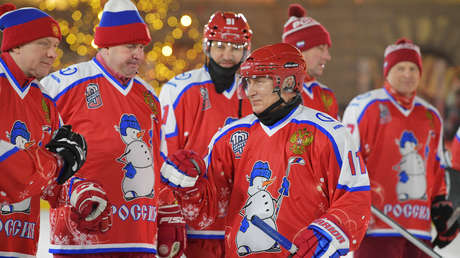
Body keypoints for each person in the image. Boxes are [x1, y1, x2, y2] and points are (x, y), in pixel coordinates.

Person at [161, 43, 371, 257]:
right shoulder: (230, 137)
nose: (250, 91)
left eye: (259, 81)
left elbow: (355, 195)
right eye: (248, 82)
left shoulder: (328, 134)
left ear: (289, 83)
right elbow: (207, 213)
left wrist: (327, 233)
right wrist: (189, 188)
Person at [41, 0, 185, 257]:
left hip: (138, 237)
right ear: (105, 46)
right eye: (130, 46)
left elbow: (155, 159)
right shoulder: (62, 86)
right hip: (80, 238)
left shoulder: (149, 96)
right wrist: (72, 191)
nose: (138, 55)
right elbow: (36, 153)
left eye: (141, 47)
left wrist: (165, 207)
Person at [342, 38, 459, 257]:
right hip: (376, 227)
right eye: (401, 68)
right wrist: (351, 208)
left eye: (413, 68)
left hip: (418, 230)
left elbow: (437, 169)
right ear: (387, 71)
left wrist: (440, 205)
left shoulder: (431, 116)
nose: (408, 74)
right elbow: (345, 163)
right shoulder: (364, 106)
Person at [0, 4, 94, 257]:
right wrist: (57, 162)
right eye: (43, 44)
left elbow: (54, 179)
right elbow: (10, 169)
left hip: (21, 245)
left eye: (55, 45)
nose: (53, 54)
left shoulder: (43, 100)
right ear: (16, 45)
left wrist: (83, 197)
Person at [159, 11, 253, 257]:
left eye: (235, 47)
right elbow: (164, 155)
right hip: (192, 222)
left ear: (246, 50)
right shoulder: (179, 89)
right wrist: (168, 212)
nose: (227, 54)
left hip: (245, 224)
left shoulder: (257, 91)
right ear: (207, 45)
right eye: (220, 45)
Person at [282, 3, 338, 119]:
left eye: (327, 50)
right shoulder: (273, 94)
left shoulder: (327, 94)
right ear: (298, 51)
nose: (328, 57)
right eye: (321, 48)